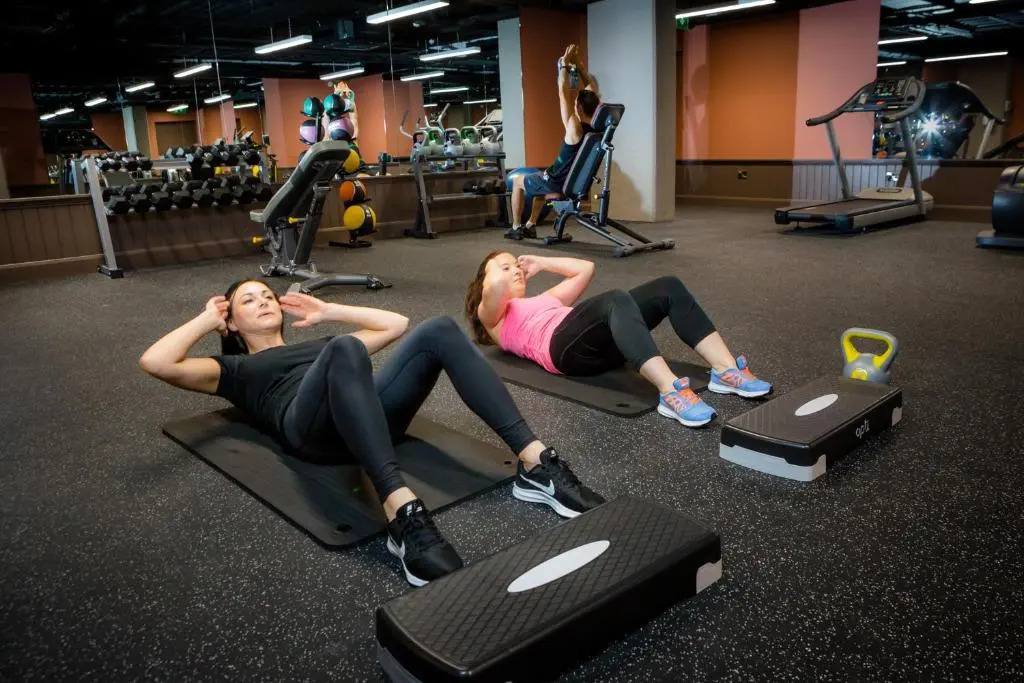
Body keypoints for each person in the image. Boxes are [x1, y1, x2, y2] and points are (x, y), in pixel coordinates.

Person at [139, 279, 603, 587]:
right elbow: (156, 362)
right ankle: (401, 513)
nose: (263, 301)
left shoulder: (325, 344)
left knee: (438, 329)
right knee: (345, 349)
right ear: (232, 322)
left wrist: (328, 310)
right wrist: (207, 319)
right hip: (312, 430)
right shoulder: (234, 369)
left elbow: (396, 325)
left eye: (266, 295)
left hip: (366, 416)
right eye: (248, 300)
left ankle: (535, 463)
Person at [465, 253, 772, 428]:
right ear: (484, 281)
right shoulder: (494, 318)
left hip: (601, 345)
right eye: (506, 268)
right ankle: (670, 391)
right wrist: (499, 268)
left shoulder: (545, 298)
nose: (516, 271)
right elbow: (494, 289)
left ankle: (725, 370)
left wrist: (542, 262)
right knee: (613, 299)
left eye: (516, 266)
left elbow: (585, 269)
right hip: (563, 352)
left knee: (667, 286)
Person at [507, 43, 598, 239]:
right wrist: (580, 67)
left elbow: (562, 93)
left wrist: (564, 65)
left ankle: (515, 227)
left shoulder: (574, 127)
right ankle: (530, 224)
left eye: (576, 104)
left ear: (579, 108)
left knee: (517, 182)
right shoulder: (597, 129)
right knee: (540, 178)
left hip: (556, 181)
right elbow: (593, 92)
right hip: (570, 180)